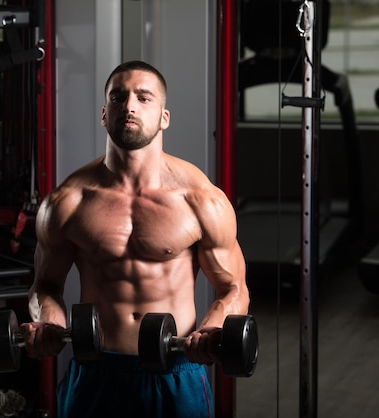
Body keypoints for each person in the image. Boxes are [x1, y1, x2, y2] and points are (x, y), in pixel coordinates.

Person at [20, 60, 249, 418]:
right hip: (95, 370)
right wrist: (48, 321)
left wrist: (210, 331)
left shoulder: (200, 200)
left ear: (164, 117)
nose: (128, 106)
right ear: (103, 113)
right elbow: (45, 285)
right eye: (118, 97)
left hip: (174, 370)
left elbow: (234, 288)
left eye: (144, 98)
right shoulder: (67, 202)